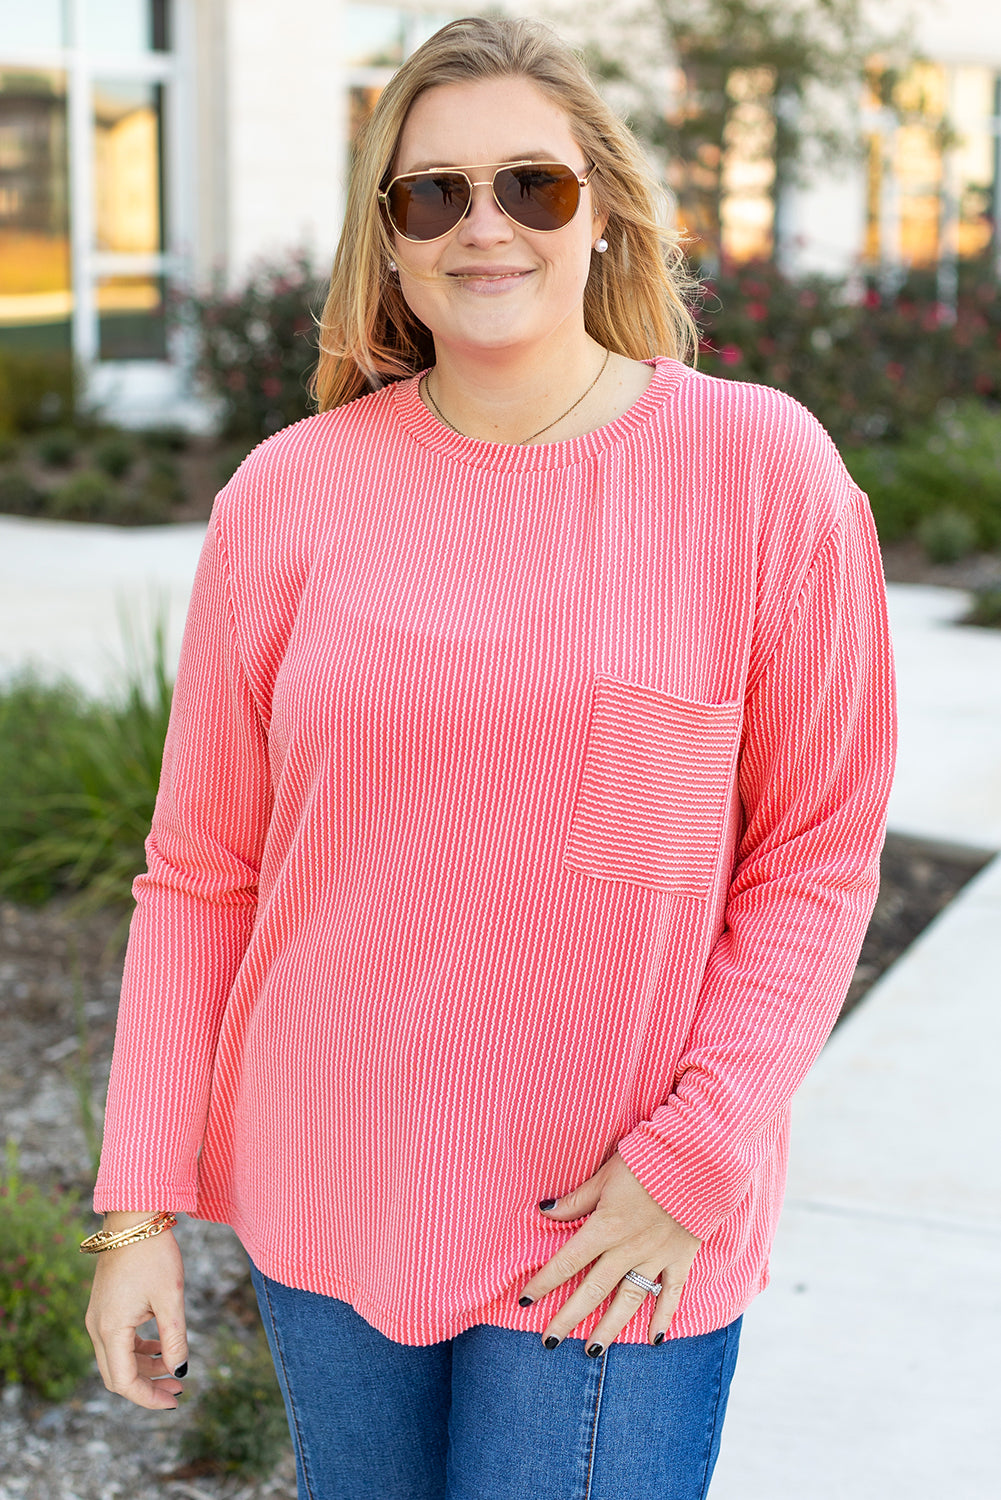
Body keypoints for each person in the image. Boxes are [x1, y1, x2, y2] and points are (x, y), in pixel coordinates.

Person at [84, 15, 896, 1500]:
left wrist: (694, 1157)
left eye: (530, 185)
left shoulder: (760, 476)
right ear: (386, 246)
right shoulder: (290, 496)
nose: (484, 225)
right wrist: (137, 1213)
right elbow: (199, 872)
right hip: (329, 1196)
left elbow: (816, 859)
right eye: (431, 193)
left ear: (602, 211)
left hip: (612, 1216)